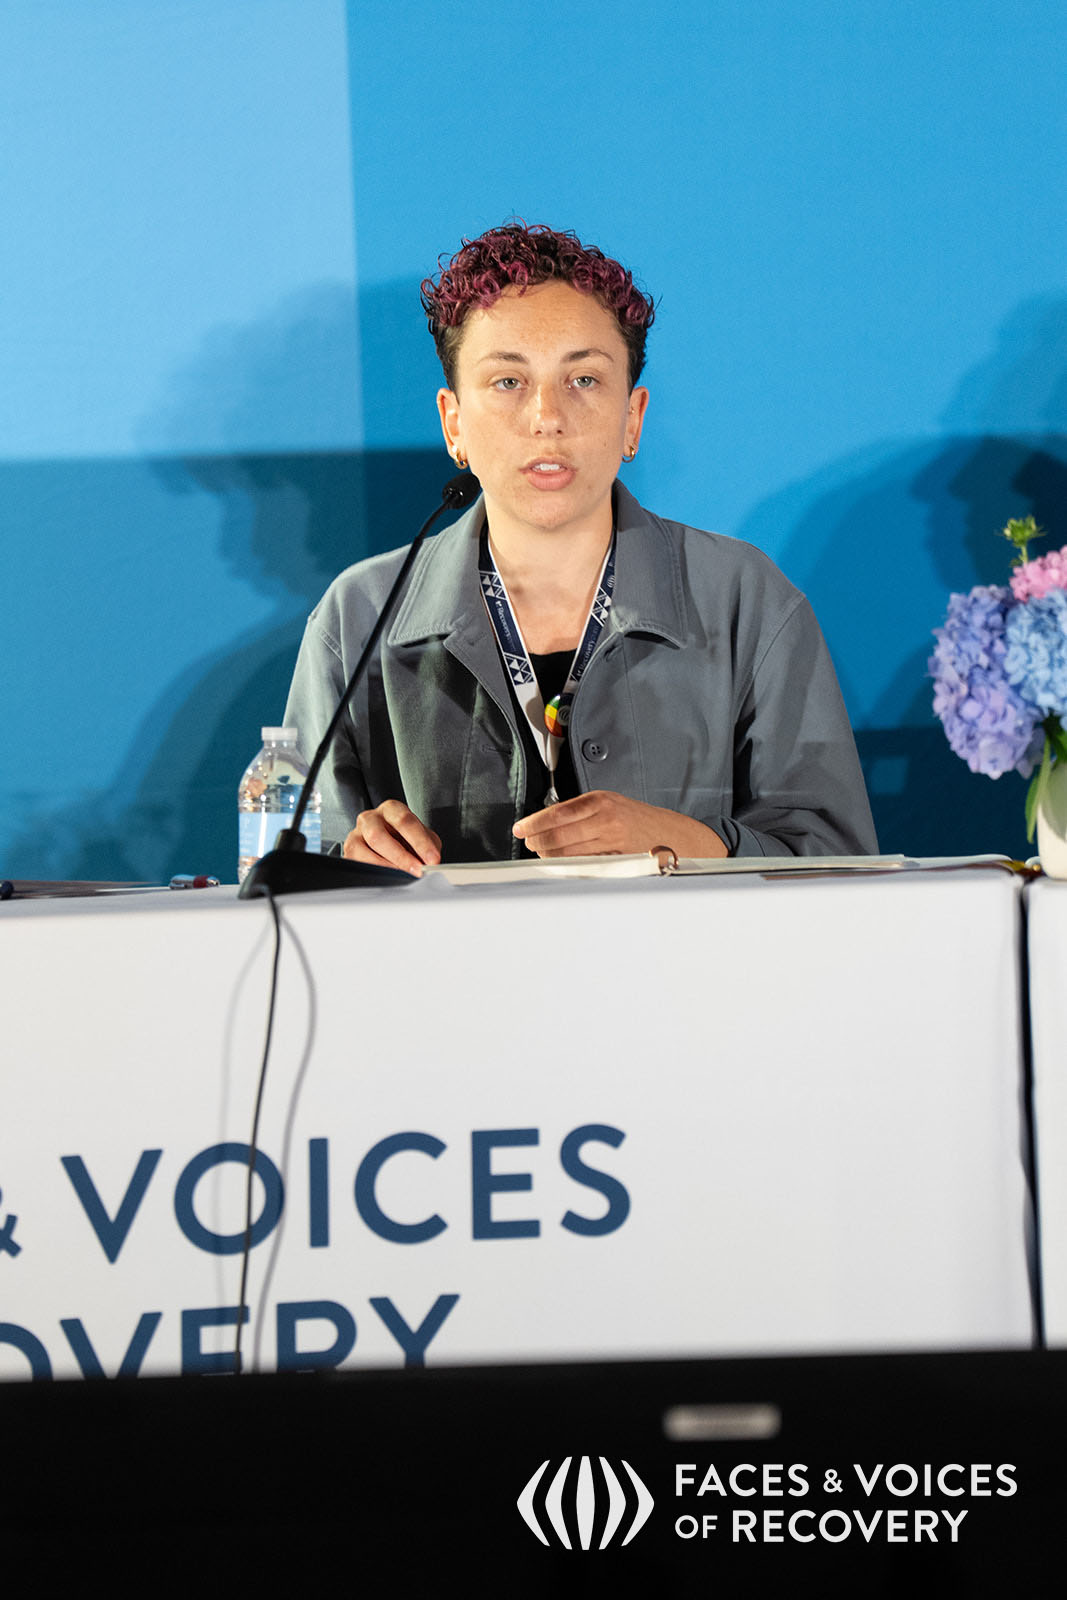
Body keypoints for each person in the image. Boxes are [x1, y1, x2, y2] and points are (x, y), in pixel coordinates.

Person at [285, 222, 877, 873]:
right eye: (507, 381)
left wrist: (685, 842)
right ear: (454, 423)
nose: (547, 416)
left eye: (585, 380)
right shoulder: (360, 615)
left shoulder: (744, 599)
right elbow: (286, 870)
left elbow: (839, 860)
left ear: (633, 418)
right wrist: (348, 861)